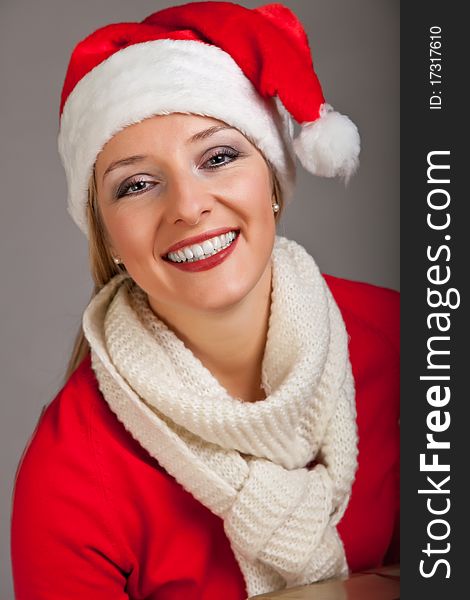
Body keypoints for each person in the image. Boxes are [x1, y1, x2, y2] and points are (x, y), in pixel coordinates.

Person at [10, 2, 399, 599]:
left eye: (218, 157)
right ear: (107, 236)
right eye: (136, 184)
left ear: (272, 180)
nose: (188, 207)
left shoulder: (410, 343)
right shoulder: (69, 474)